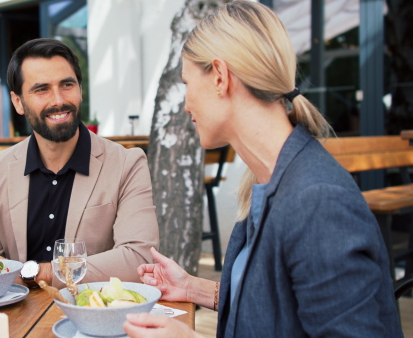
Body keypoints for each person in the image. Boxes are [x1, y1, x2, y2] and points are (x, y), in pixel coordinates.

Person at [123, 1, 402, 337]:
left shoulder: (317, 202)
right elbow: (280, 304)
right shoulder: (273, 179)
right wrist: (194, 288)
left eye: (186, 83)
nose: (186, 105)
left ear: (220, 77)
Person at [0, 38, 159, 289]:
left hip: (94, 315)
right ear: (18, 102)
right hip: (17, 318)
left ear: (80, 89)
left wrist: (38, 273)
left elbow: (138, 259)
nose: (58, 100)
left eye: (67, 85)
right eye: (41, 89)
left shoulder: (127, 164)